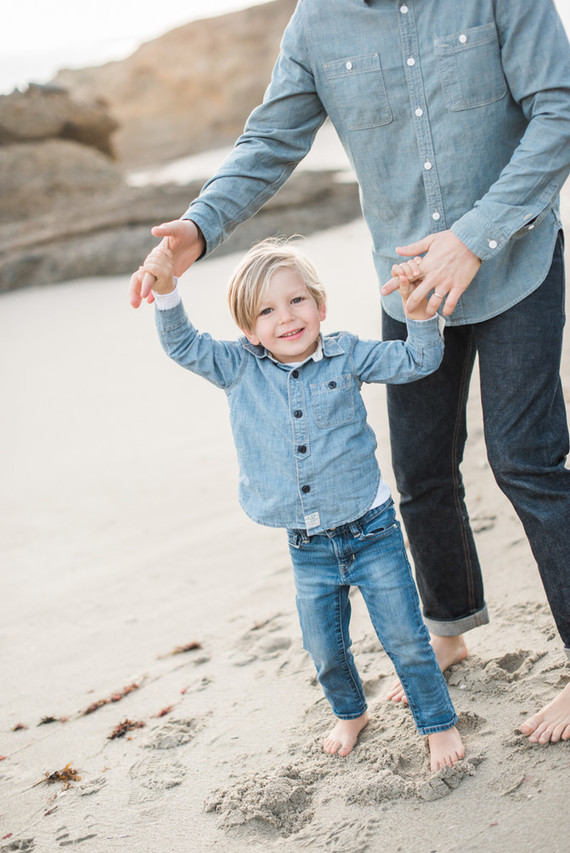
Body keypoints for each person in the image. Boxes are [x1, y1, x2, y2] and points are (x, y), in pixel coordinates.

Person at [129, 0, 570, 743]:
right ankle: (451, 626)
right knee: (423, 469)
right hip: (410, 284)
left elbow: (559, 110)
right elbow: (271, 139)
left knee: (525, 460)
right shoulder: (316, 23)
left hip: (516, 257)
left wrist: (473, 237)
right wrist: (199, 227)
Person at [136, 236, 464, 769]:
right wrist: (169, 290)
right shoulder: (238, 367)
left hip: (372, 529)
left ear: (320, 306)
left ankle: (438, 723)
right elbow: (183, 346)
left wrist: (420, 317)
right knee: (325, 650)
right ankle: (351, 711)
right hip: (308, 546)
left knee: (405, 639)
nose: (285, 318)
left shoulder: (347, 353)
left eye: (296, 301)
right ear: (248, 329)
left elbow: (418, 361)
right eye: (266, 311)